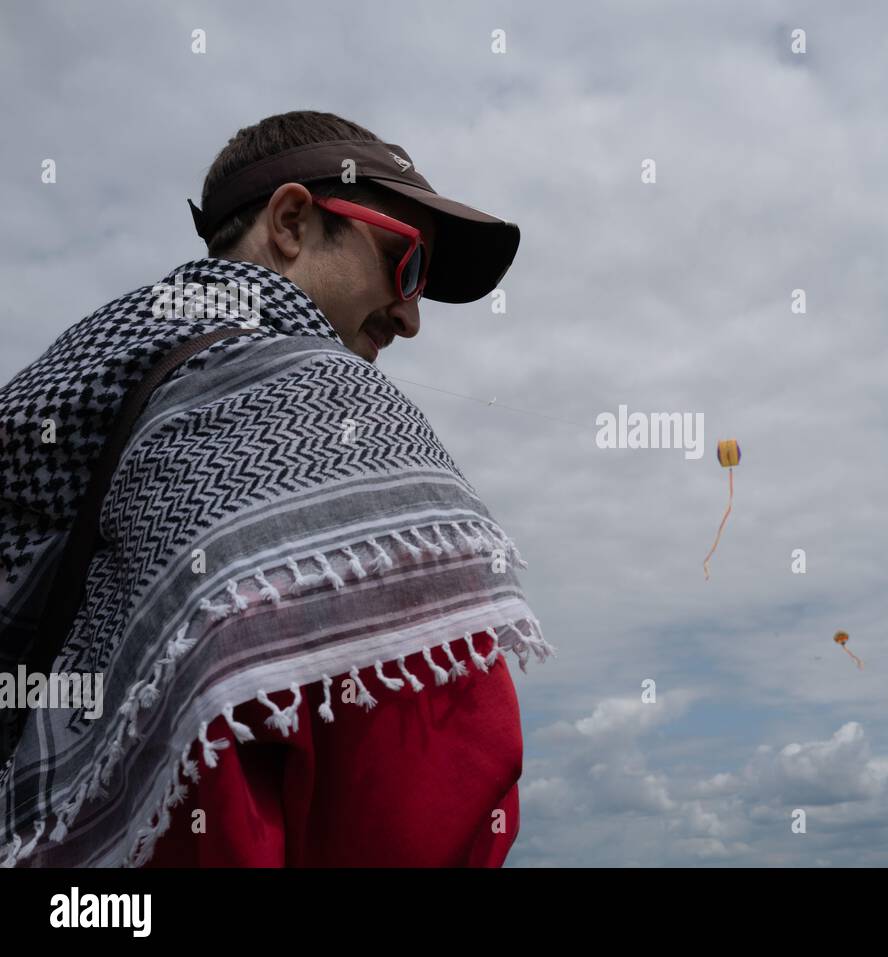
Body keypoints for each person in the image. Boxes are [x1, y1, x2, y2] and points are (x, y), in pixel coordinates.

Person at [0, 111, 553, 867]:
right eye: (407, 263)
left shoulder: (92, 387)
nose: (412, 316)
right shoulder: (324, 411)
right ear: (291, 221)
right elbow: (427, 796)